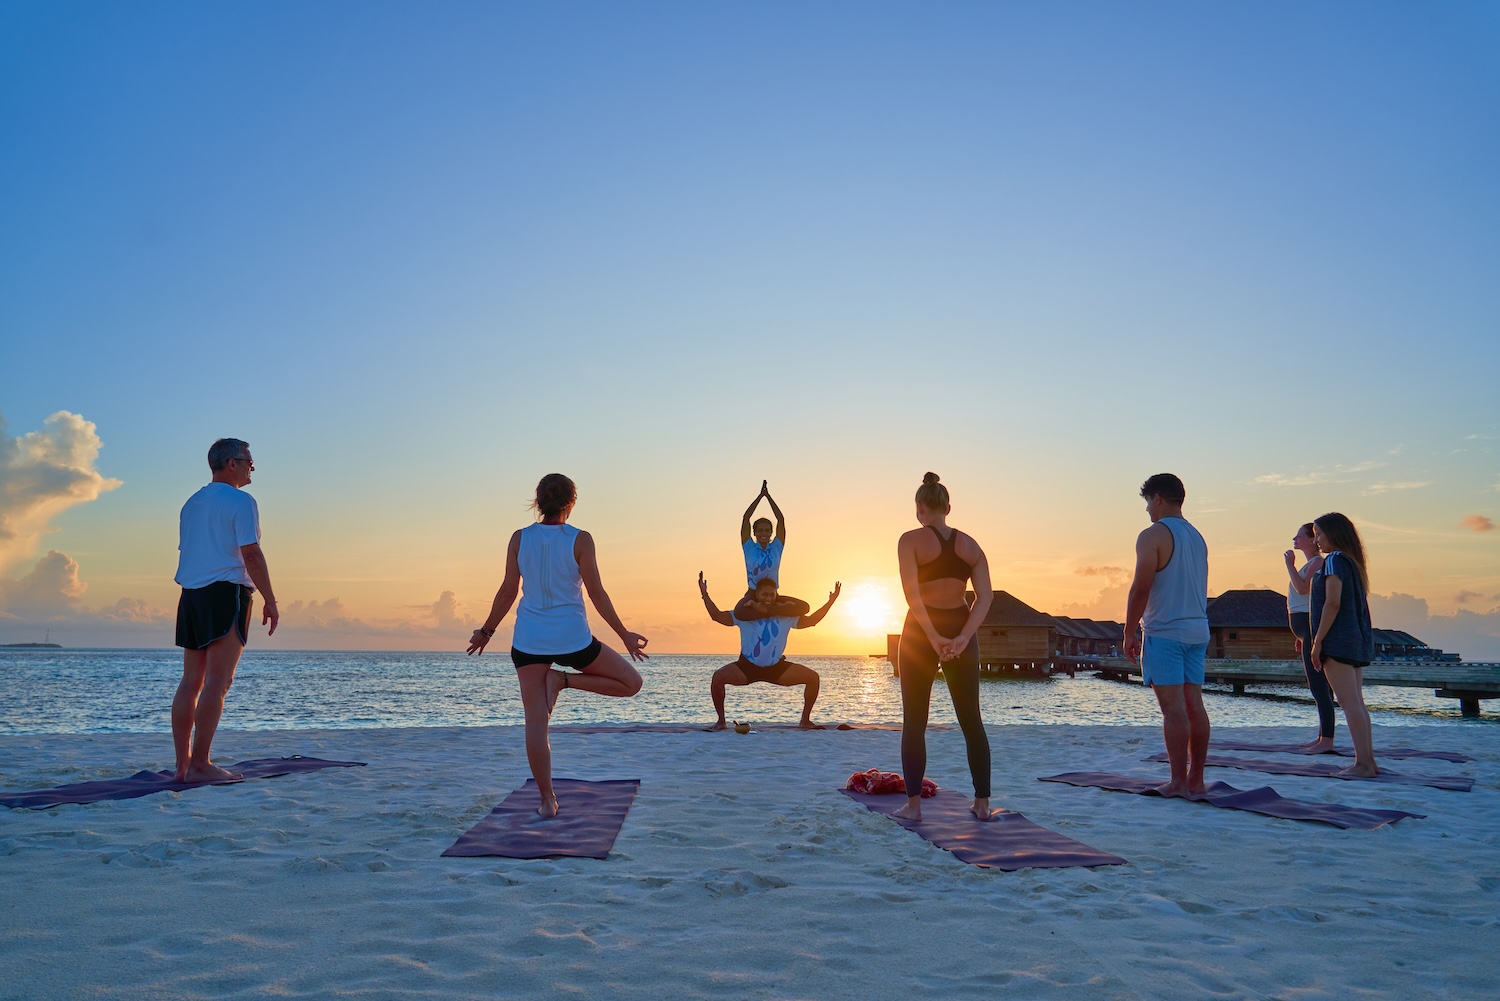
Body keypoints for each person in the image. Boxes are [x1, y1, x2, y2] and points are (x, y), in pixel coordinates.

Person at [466, 474, 647, 818]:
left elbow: (507, 591)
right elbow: (596, 593)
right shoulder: (580, 539)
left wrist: (486, 632)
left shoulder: (520, 538)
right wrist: (623, 634)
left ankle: (547, 800)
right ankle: (563, 680)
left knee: (536, 723)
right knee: (632, 684)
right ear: (571, 503)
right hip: (573, 641)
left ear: (537, 501)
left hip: (529, 641)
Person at [171, 438, 279, 783]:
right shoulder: (241, 501)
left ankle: (183, 764)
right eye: (248, 462)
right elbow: (250, 553)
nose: (252, 468)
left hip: (191, 594)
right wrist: (271, 600)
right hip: (225, 592)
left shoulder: (192, 503)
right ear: (230, 463)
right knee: (219, 681)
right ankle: (201, 763)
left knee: (192, 681)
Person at [895, 472, 995, 822]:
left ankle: (914, 807)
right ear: (947, 507)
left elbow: (912, 593)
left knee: (914, 721)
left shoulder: (910, 540)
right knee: (971, 720)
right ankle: (982, 804)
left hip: (922, 631)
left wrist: (933, 636)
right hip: (959, 625)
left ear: (920, 508)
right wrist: (963, 636)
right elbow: (985, 598)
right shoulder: (971, 546)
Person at [1123, 473, 1210, 798]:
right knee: (1194, 707)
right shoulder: (1197, 536)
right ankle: (1196, 781)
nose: (1147, 510)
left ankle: (1177, 782)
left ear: (1157, 498)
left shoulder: (1153, 535)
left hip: (1165, 631)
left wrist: (1129, 630)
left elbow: (1140, 588)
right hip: (1197, 629)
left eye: (1147, 502)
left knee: (1173, 710)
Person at [698, 572, 840, 730]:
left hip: (776, 668)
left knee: (812, 678)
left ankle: (805, 720)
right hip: (747, 668)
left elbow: (812, 620)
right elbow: (717, 616)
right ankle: (720, 722)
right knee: (718, 677)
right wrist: (705, 594)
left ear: (776, 596)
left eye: (772, 595)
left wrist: (831, 602)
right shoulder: (743, 615)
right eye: (764, 594)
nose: (768, 598)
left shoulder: (786, 616)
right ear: (757, 594)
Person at [1309, 512, 1378, 777]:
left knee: (1350, 704)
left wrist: (1317, 642)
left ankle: (1363, 764)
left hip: (1338, 641)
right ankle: (1368, 761)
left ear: (1334, 534)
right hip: (1353, 640)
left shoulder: (1335, 560)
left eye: (1319, 534)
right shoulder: (1352, 562)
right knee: (1357, 703)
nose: (1316, 541)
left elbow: (1332, 602)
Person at [1284, 522, 1334, 751]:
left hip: (1309, 625)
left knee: (1319, 685)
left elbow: (1303, 589)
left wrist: (1289, 566)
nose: (1294, 540)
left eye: (1298, 536)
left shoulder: (1318, 562)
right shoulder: (1310, 564)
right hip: (1305, 628)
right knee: (1316, 686)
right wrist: (1301, 636)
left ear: (1311, 540)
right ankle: (1322, 736)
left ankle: (1327, 740)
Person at [740, 480, 787, 592]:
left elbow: (780, 519)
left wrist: (768, 497)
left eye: (767, 530)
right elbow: (746, 518)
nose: (763, 533)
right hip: (753, 592)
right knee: (739, 609)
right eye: (760, 530)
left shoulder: (776, 547)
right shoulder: (749, 546)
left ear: (771, 532)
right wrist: (760, 497)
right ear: (754, 532)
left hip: (772, 594)